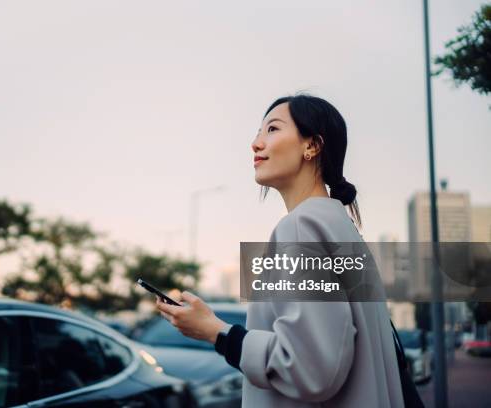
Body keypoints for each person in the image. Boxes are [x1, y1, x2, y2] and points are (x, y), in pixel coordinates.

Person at [156, 94, 404, 407]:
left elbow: (310, 369)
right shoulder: (341, 228)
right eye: (258, 133)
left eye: (272, 129)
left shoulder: (300, 228)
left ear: (312, 146)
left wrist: (215, 331)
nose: (256, 144)